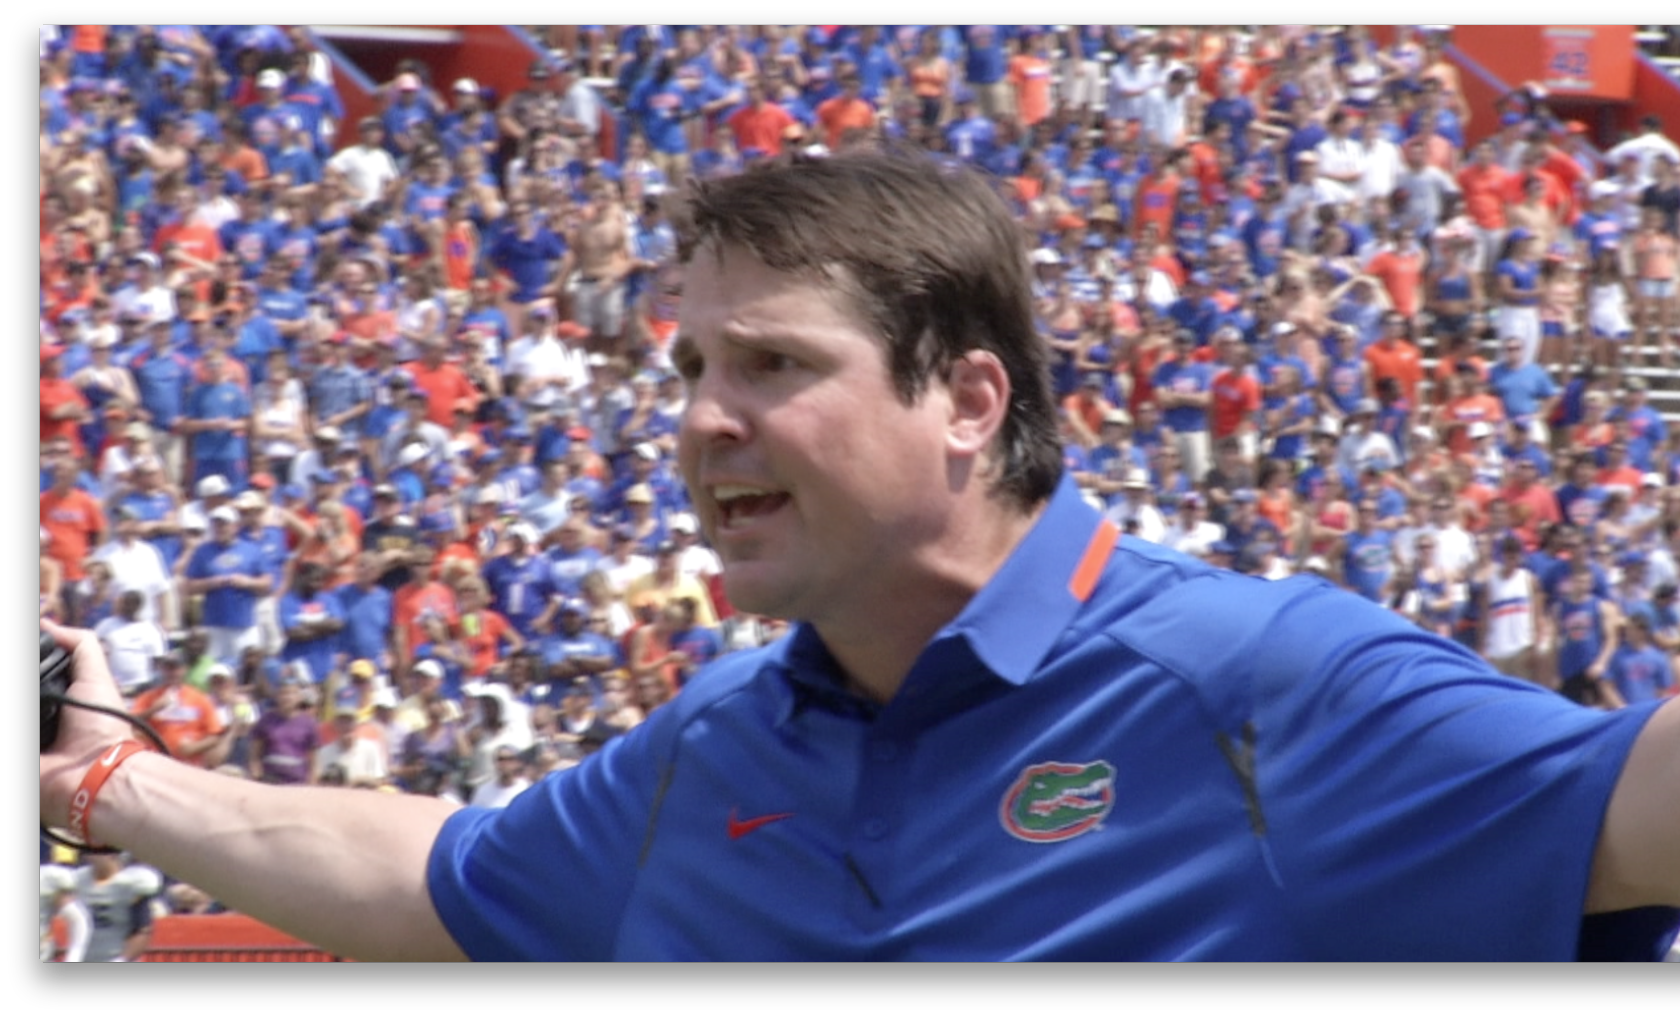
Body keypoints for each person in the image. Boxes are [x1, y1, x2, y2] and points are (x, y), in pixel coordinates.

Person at [38, 152, 1680, 962]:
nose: (699, 420)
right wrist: (103, 785)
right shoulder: (717, 746)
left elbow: (1635, 814)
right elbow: (437, 876)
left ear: (968, 400)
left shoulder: (1266, 690)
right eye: (685, 371)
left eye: (769, 365)